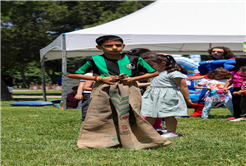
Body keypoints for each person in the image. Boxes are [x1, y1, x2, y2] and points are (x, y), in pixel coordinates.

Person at [68, 35, 171, 149]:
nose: (114, 47)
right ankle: (102, 140)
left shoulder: (134, 59)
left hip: (129, 89)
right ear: (99, 47)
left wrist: (132, 79)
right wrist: (100, 79)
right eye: (109, 45)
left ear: (123, 46)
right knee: (104, 115)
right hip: (103, 90)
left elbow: (154, 73)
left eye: (118, 45)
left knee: (131, 113)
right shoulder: (92, 60)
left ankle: (133, 139)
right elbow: (72, 74)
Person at [140, 53, 192, 138]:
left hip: (167, 96)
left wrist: (187, 98)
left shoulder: (174, 73)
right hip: (153, 96)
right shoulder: (154, 73)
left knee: (168, 115)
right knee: (150, 114)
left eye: (151, 65)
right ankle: (145, 131)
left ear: (163, 63)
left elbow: (183, 86)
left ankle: (171, 132)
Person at [188, 46, 235, 117]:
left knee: (233, 99)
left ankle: (237, 114)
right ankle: (199, 112)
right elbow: (204, 73)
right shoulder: (208, 62)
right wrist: (191, 77)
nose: (216, 53)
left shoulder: (229, 62)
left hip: (226, 83)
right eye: (214, 51)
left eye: (219, 52)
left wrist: (203, 77)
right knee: (202, 96)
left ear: (225, 53)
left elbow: (229, 73)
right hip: (211, 83)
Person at [223, 56, 246, 121]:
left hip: (243, 88)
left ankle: (243, 116)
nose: (234, 62)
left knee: (243, 103)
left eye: (236, 60)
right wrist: (225, 86)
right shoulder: (234, 70)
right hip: (236, 87)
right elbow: (231, 79)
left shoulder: (244, 69)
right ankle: (236, 116)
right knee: (235, 102)